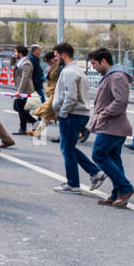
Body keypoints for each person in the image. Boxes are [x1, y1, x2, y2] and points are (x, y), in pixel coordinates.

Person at [51, 42, 106, 194]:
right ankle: (94, 173)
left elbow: (70, 96)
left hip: (72, 114)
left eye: (56, 56)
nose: (55, 59)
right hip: (77, 114)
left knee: (67, 149)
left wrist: (62, 112)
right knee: (68, 148)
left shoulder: (69, 72)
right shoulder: (76, 70)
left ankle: (74, 183)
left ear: (63, 55)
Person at [86, 48, 134, 207]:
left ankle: (125, 188)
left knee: (99, 155)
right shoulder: (111, 76)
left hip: (112, 126)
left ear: (103, 61)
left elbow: (120, 101)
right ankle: (117, 193)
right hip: (112, 126)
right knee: (114, 159)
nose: (93, 67)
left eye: (94, 63)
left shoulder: (117, 76)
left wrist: (104, 114)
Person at [28, 49, 61, 141]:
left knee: (45, 111)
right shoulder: (51, 68)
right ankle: (38, 132)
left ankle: (79, 132)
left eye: (48, 61)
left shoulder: (58, 67)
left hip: (56, 93)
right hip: (51, 93)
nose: (48, 63)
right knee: (50, 115)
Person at [11, 45, 36, 134]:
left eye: (15, 52)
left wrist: (20, 91)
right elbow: (12, 64)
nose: (14, 54)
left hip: (25, 90)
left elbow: (25, 78)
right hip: (20, 89)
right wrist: (13, 57)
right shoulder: (20, 61)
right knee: (17, 107)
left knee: (20, 108)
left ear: (20, 53)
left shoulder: (26, 63)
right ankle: (34, 122)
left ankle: (23, 128)